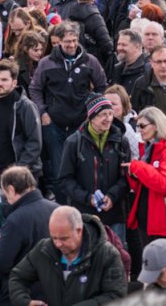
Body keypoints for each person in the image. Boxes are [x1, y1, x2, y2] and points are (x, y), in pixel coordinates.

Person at [29, 21, 107, 194]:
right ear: (59, 41)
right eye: (67, 41)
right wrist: (43, 111)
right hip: (54, 123)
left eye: (74, 40)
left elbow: (101, 86)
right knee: (59, 168)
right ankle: (60, 206)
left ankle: (79, 205)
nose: (71, 45)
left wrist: (92, 111)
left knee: (80, 166)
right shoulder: (46, 63)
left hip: (80, 123)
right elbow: (35, 89)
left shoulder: (90, 61)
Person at [8, 206, 128, 306]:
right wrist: (24, 302)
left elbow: (116, 296)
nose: (58, 244)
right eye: (54, 237)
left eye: (64, 238)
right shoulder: (44, 249)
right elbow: (17, 277)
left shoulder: (107, 254)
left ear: (79, 231)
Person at [126, 106, 166, 280]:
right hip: (149, 221)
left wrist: (138, 167)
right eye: (138, 126)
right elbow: (144, 186)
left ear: (156, 125)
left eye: (142, 126)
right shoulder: (149, 150)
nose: (139, 130)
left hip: (164, 224)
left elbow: (164, 183)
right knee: (154, 274)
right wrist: (133, 174)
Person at [56, 94, 131, 236]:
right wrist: (88, 198)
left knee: (117, 256)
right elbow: (64, 180)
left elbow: (126, 178)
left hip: (114, 214)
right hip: (85, 216)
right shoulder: (74, 143)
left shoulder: (121, 141)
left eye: (110, 113)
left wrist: (112, 196)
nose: (108, 118)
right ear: (91, 117)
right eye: (103, 114)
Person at [0, 166, 57, 306]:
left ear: (11, 189)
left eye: (5, 193)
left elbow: (1, 263)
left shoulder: (16, 220)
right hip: (53, 290)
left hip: (23, 293)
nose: (6, 199)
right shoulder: (56, 209)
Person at [0, 59, 42, 178]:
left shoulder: (25, 106)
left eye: (4, 80)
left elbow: (34, 143)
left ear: (14, 82)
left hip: (19, 175)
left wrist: (17, 170)